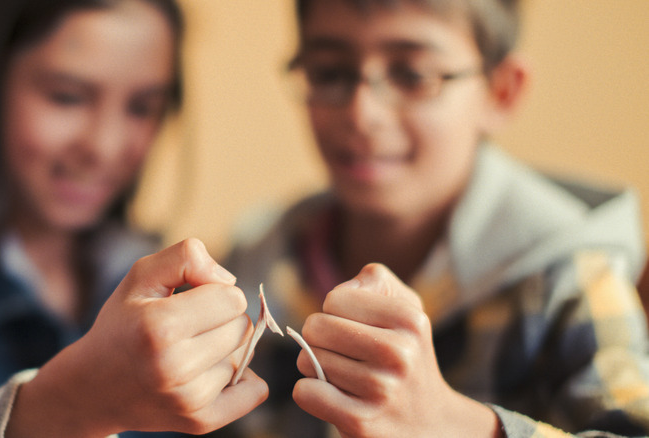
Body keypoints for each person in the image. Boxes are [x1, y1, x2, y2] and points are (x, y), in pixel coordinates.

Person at [225, 0, 649, 437]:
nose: (362, 114)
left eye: (413, 75)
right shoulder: (253, 265)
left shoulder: (570, 278)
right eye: (330, 72)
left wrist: (447, 423)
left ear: (501, 91)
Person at [0, 0, 267, 436]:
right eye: (67, 97)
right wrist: (72, 404)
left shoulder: (187, 288)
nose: (104, 145)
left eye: (141, 107)